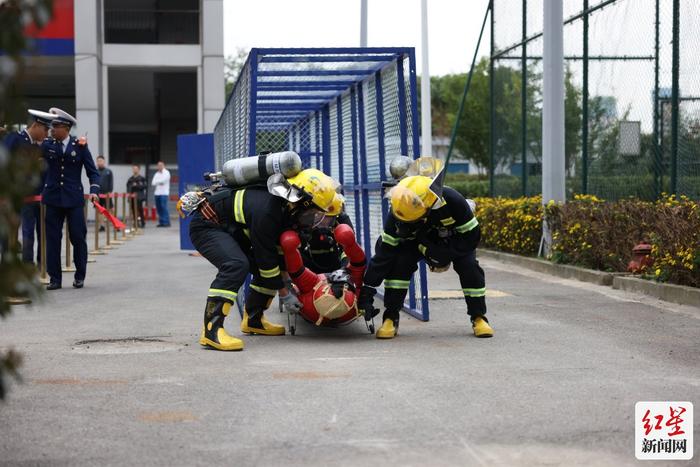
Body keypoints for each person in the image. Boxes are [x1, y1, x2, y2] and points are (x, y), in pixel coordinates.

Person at [179, 168, 344, 351]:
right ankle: (211, 330)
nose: (317, 221)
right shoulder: (268, 211)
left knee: (265, 270)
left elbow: (278, 257)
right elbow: (266, 259)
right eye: (316, 214)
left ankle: (253, 320)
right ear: (304, 204)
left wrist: (287, 284)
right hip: (208, 226)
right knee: (236, 265)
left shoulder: (288, 212)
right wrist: (285, 293)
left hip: (232, 229)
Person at [358, 170, 493, 339]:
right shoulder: (398, 210)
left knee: (469, 267)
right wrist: (367, 292)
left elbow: (471, 239)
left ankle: (479, 317)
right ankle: (391, 317)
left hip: (454, 242)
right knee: (400, 263)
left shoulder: (453, 201)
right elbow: (384, 253)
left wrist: (442, 254)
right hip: (415, 243)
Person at [41, 108, 100, 290]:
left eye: (55, 126)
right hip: (53, 199)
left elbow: (93, 172)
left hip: (74, 200)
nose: (52, 130)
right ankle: (55, 279)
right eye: (51, 126)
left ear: (66, 128)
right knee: (52, 239)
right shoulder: (47, 145)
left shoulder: (80, 146)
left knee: (78, 237)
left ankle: (80, 275)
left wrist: (94, 190)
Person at [280, 222, 366, 327]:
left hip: (318, 281)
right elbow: (358, 264)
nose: (325, 222)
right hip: (329, 274)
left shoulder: (309, 307)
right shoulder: (353, 303)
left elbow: (296, 271)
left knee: (291, 250)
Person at [3, 109, 53, 264]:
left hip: (38, 196)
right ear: (36, 125)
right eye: (45, 130)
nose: (46, 134)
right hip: (18, 197)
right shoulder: (15, 139)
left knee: (40, 233)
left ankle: (40, 266)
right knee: (22, 232)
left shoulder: (41, 145)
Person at [96, 155, 113, 230]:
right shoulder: (95, 171)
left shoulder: (108, 171)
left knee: (110, 209)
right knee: (100, 210)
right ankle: (102, 226)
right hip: (98, 194)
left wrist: (110, 191)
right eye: (98, 161)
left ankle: (115, 224)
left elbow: (111, 182)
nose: (100, 162)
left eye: (101, 161)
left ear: (104, 161)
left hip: (107, 193)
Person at [151, 161, 171, 227]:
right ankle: (161, 222)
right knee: (159, 208)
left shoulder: (167, 173)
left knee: (163, 207)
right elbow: (153, 183)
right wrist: (159, 182)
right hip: (157, 193)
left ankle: (166, 222)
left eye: (161, 165)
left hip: (164, 193)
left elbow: (163, 181)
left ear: (163, 165)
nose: (159, 166)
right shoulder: (156, 174)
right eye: (158, 165)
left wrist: (157, 182)